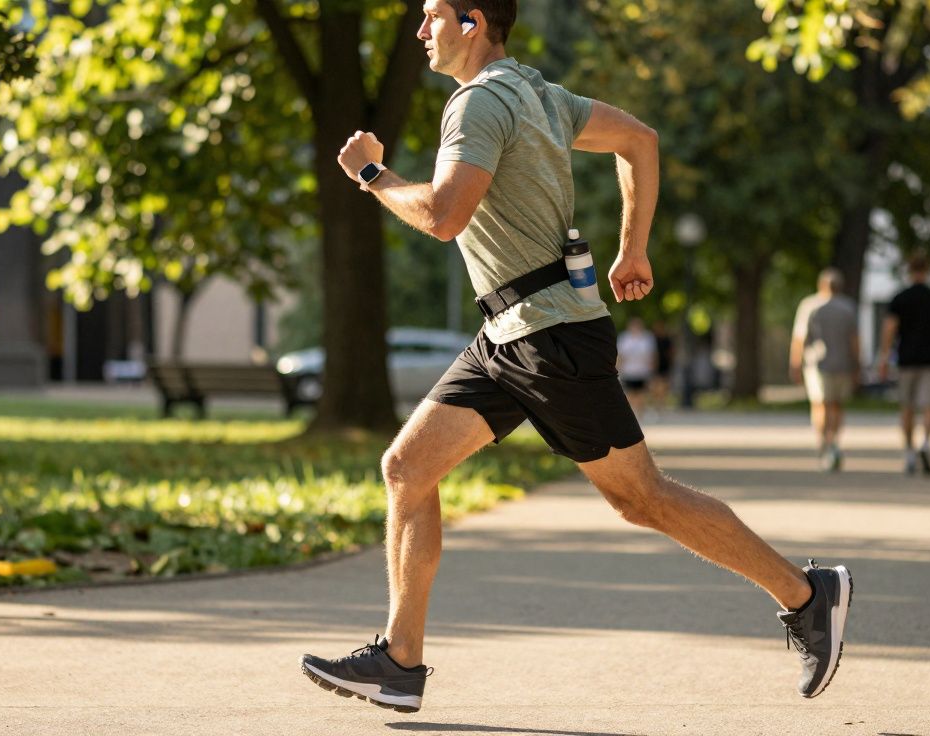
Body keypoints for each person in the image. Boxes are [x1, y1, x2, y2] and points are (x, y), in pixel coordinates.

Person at [301, 0, 852, 713]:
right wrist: (633, 247)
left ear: (473, 22)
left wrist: (374, 175)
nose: (419, 31)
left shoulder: (477, 105)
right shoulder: (541, 94)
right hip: (508, 334)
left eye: (432, 14)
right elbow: (640, 141)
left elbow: (442, 216)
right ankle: (400, 663)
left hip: (548, 337)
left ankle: (809, 596)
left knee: (641, 497)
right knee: (406, 468)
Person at [878, 253, 930, 476]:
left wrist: (884, 357)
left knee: (907, 407)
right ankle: (927, 443)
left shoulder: (900, 298)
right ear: (927, 270)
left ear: (909, 270)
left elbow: (889, 329)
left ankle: (909, 451)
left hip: (906, 359)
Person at [789, 268, 860, 472]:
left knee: (820, 405)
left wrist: (795, 363)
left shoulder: (810, 305)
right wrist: (857, 364)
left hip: (817, 364)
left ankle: (822, 442)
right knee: (838, 405)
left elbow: (800, 338)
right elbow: (854, 340)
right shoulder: (848, 307)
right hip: (843, 364)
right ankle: (834, 441)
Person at [617, 316, 658, 416]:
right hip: (629, 371)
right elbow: (620, 355)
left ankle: (640, 413)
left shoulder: (647, 337)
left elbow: (652, 354)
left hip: (642, 371)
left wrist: (652, 368)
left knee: (641, 394)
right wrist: (618, 368)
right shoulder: (624, 338)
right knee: (630, 394)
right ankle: (632, 413)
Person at [650, 319, 674, 407]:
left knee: (664, 385)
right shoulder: (652, 339)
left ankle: (661, 403)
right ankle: (657, 403)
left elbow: (671, 352)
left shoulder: (667, 339)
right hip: (655, 366)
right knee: (655, 385)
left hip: (664, 365)